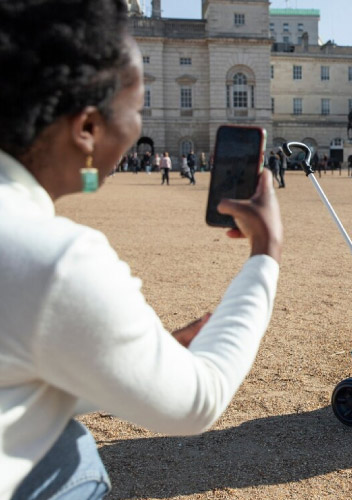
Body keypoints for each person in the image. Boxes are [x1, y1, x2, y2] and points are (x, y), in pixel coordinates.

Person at [0, 2, 283, 498]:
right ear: (87, 128)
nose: (138, 127)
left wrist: (144, 354)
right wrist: (265, 250)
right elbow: (197, 402)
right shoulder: (59, 261)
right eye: (138, 105)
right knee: (73, 452)